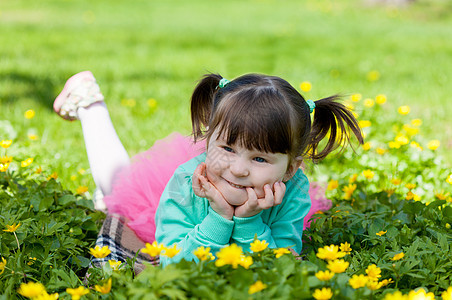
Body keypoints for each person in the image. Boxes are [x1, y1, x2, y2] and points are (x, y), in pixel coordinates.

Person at [53, 71, 363, 267]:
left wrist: (248, 221)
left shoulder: (292, 193)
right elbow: (173, 263)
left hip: (233, 218)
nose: (238, 169)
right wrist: (217, 218)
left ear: (291, 169)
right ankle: (89, 104)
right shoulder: (185, 182)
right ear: (208, 140)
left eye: (259, 159)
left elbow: (281, 266)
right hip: (176, 213)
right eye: (228, 149)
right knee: (117, 186)